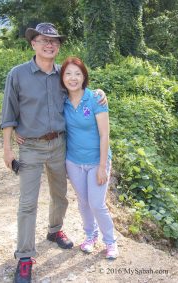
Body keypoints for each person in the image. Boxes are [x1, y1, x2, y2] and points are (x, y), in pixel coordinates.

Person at [0, 23, 106, 283]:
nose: (50, 45)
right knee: (28, 203)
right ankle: (25, 258)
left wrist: (100, 94)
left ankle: (55, 230)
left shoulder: (63, 74)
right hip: (31, 147)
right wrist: (7, 148)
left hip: (60, 145)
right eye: (43, 40)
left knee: (60, 195)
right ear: (33, 43)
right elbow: (8, 112)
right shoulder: (18, 74)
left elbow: (82, 92)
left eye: (54, 41)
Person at [60, 56, 118, 259]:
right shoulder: (62, 100)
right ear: (62, 77)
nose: (73, 78)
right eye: (68, 73)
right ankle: (90, 235)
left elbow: (104, 134)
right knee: (83, 202)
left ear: (84, 77)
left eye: (78, 73)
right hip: (73, 161)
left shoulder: (95, 98)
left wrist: (103, 166)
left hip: (97, 161)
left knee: (96, 203)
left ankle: (110, 241)